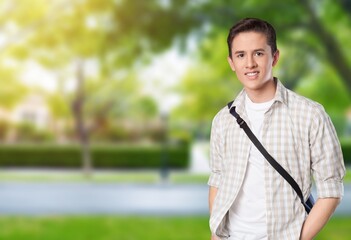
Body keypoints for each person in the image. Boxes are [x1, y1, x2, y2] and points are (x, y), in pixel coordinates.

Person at [208, 18, 345, 240]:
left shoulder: (310, 114)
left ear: (275, 57)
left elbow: (331, 189)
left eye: (259, 53)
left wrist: (300, 238)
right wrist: (216, 233)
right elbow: (218, 180)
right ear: (231, 62)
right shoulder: (223, 120)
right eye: (241, 55)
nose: (249, 63)